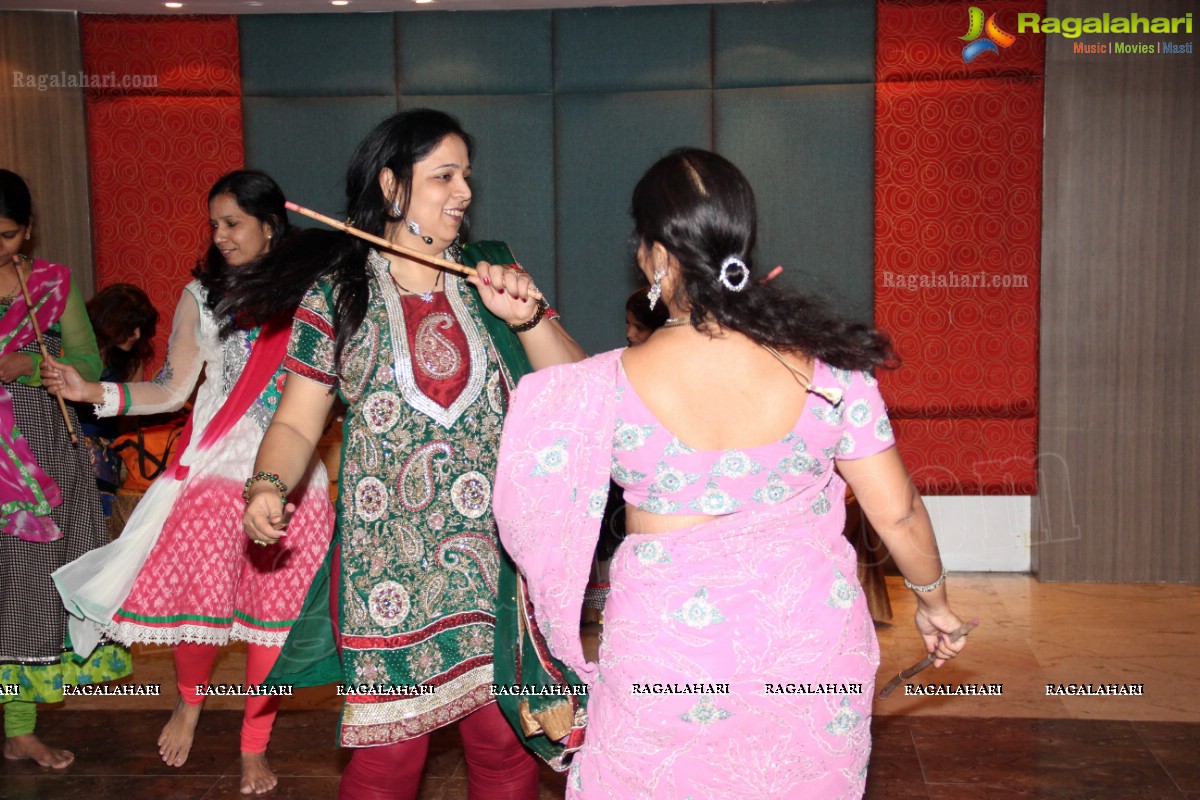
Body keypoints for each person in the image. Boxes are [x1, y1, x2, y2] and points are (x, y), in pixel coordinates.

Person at [492, 148, 969, 798]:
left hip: (669, 659)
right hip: (810, 651)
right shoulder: (832, 375)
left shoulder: (607, 386)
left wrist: (529, 321)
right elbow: (899, 513)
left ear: (654, 255)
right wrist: (934, 602)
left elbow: (556, 429)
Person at [241, 108, 586, 800]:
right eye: (444, 176)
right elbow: (298, 424)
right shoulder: (339, 293)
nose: (463, 192)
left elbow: (576, 392)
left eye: (466, 177)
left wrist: (528, 319)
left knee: (504, 750)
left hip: (496, 566)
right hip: (383, 574)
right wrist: (267, 483)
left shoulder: (494, 275)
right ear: (394, 188)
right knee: (386, 767)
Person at [44, 170, 335, 795]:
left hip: (293, 465)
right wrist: (95, 390)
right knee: (201, 588)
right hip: (216, 461)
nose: (220, 236)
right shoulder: (203, 297)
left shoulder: (313, 294)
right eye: (215, 225)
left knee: (275, 616)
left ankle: (253, 743)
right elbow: (174, 386)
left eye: (232, 223)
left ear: (270, 224)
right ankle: (189, 699)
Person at [0, 168, 131, 769]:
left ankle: (18, 726)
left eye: (4, 235)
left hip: (40, 458)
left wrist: (25, 363)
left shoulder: (51, 283)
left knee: (24, 600)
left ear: (27, 231)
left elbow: (83, 362)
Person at [76, 283, 160, 525]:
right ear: (109, 318)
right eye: (131, 326)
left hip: (109, 446)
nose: (136, 335)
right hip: (69, 438)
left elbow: (131, 417)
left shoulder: (132, 361)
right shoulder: (77, 348)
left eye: (141, 329)